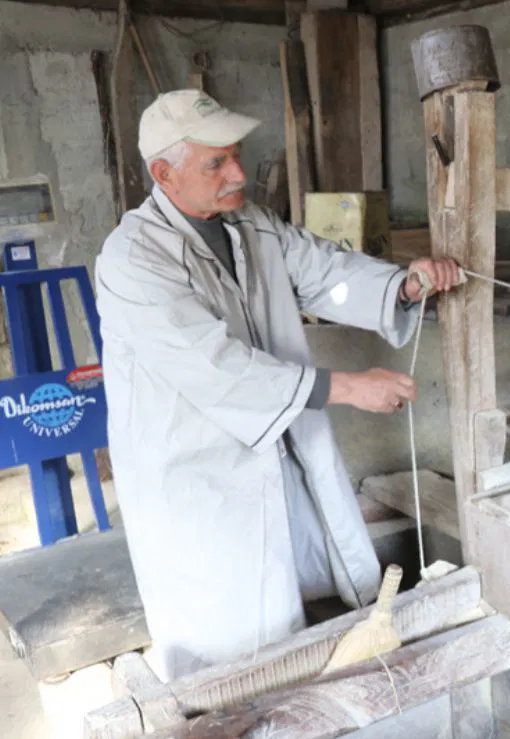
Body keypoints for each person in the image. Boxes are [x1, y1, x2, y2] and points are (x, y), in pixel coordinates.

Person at [94, 89, 460, 681]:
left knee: (282, 596)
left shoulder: (249, 224)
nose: (238, 172)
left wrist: (403, 287)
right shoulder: (132, 259)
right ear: (164, 173)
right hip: (195, 467)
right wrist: (347, 387)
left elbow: (325, 272)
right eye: (216, 163)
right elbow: (213, 366)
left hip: (267, 437)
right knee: (225, 638)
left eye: (236, 155)